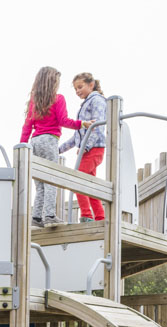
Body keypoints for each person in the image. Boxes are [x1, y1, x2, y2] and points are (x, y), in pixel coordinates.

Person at [20, 66, 70, 227]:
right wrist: (81, 124)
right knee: (51, 178)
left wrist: (22, 147)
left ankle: (36, 218)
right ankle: (49, 215)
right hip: (49, 141)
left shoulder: (35, 102)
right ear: (53, 82)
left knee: (39, 182)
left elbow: (27, 127)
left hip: (35, 142)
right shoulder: (58, 98)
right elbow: (63, 120)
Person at [58, 72, 108, 223]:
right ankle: (100, 217)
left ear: (90, 84)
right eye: (75, 89)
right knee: (89, 184)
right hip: (89, 149)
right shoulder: (86, 103)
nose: (77, 91)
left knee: (77, 179)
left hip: (94, 148)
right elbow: (77, 136)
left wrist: (86, 147)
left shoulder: (97, 101)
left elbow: (98, 125)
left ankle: (86, 215)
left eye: (80, 87)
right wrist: (59, 149)